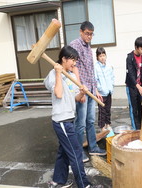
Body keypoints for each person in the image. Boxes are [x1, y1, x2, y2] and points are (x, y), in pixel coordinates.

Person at [44, 46, 102, 188]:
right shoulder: (53, 74)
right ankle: (85, 185)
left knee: (63, 151)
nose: (74, 64)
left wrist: (82, 93)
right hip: (61, 120)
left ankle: (58, 180)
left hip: (70, 119)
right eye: (72, 60)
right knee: (76, 153)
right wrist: (58, 73)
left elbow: (76, 98)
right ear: (64, 59)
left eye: (76, 61)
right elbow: (58, 93)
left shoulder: (72, 76)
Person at [70, 21, 106, 164]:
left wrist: (95, 89)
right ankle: (79, 152)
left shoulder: (89, 47)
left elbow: (91, 70)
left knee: (90, 121)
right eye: (87, 33)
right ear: (81, 32)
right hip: (82, 90)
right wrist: (81, 89)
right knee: (80, 123)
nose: (89, 36)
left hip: (90, 89)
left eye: (91, 34)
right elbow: (74, 68)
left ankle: (93, 147)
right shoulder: (75, 45)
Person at [125, 36, 142, 130]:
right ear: (136, 47)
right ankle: (135, 130)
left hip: (141, 86)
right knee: (134, 110)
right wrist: (138, 86)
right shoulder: (130, 58)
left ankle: (141, 129)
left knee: (141, 107)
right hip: (131, 86)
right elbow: (130, 74)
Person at [94, 47, 115, 134]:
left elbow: (112, 77)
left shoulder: (109, 66)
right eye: (100, 56)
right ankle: (102, 127)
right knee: (102, 111)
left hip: (109, 91)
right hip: (101, 93)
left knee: (108, 109)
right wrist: (97, 90)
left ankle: (108, 124)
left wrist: (112, 86)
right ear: (97, 57)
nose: (102, 57)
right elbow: (95, 80)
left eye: (103, 55)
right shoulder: (95, 67)